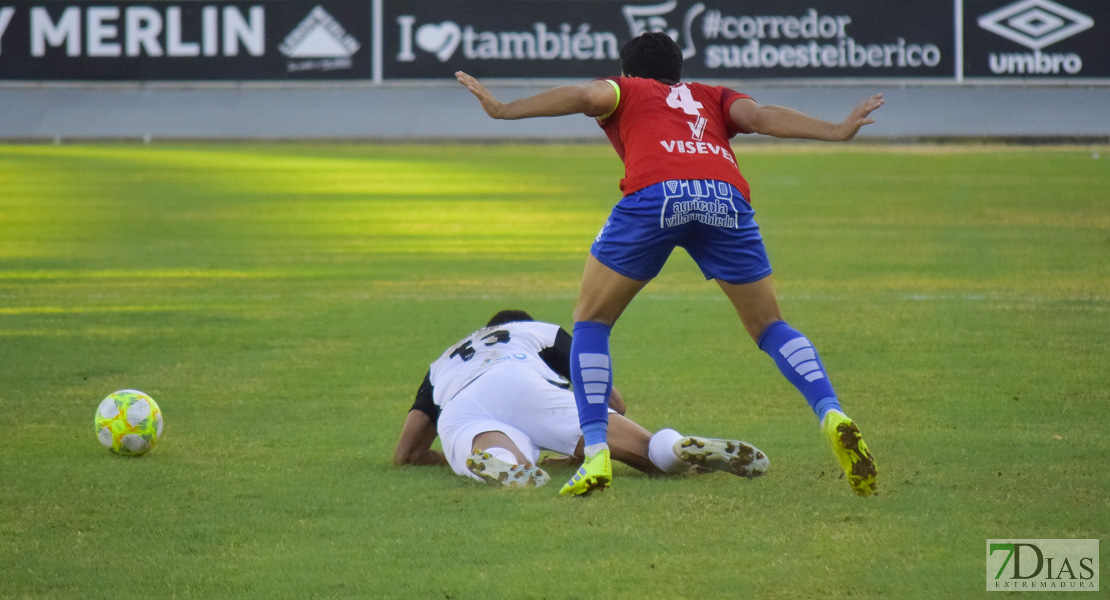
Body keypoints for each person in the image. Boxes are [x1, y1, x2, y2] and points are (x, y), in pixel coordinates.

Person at [455, 32, 880, 497]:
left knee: (592, 321)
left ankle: (596, 449)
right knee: (770, 325)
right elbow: (759, 117)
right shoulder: (713, 96)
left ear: (629, 71)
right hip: (724, 196)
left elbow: (584, 95)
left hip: (656, 196)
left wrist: (503, 109)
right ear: (678, 69)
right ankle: (831, 411)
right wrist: (836, 129)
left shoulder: (626, 89)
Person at [393, 309, 769, 489]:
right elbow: (611, 400)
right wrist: (579, 441)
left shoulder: (443, 362)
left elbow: (407, 453)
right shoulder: (534, 331)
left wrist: (447, 457)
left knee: (505, 447)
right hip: (522, 378)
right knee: (647, 451)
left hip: (462, 403)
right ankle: (673, 447)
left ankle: (498, 460)